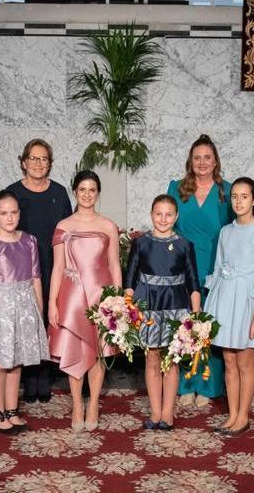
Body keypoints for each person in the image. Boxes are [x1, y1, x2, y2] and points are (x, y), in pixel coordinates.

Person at [0, 191, 51, 434]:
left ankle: (12, 409)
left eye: (14, 212)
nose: (10, 217)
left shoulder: (29, 241)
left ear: (19, 213)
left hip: (24, 306)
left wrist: (38, 313)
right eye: (4, 213)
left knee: (16, 361)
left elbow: (36, 278)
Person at [205, 178, 254, 437]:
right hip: (226, 300)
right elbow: (217, 269)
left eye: (244, 196)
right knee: (228, 360)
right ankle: (232, 414)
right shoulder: (226, 232)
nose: (238, 201)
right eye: (235, 196)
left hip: (249, 304)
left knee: (245, 361)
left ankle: (243, 416)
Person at [48, 171, 121, 431]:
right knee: (75, 349)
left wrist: (119, 303)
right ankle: (78, 404)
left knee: (99, 352)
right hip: (73, 298)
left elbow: (114, 265)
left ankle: (93, 404)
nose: (87, 194)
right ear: (75, 192)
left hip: (101, 297)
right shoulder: (63, 226)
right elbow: (58, 268)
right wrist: (52, 303)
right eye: (82, 189)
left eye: (92, 190)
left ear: (97, 193)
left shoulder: (108, 226)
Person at [125, 194, 201, 430]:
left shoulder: (184, 245)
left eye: (169, 214)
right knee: (152, 357)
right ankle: (155, 412)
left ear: (176, 216)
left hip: (175, 305)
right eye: (159, 214)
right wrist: (127, 310)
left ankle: (168, 412)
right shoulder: (141, 243)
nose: (163, 219)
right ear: (151, 214)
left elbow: (193, 283)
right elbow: (130, 279)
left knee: (171, 360)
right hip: (148, 305)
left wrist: (195, 318)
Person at [167, 135, 231, 408]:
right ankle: (185, 384)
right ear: (190, 162)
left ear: (215, 161)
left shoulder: (227, 191)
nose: (202, 162)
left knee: (210, 325)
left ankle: (207, 384)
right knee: (184, 325)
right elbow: (167, 225)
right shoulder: (176, 188)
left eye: (207, 157)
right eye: (197, 158)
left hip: (216, 268)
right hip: (182, 267)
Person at [6, 139, 72, 403]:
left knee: (48, 319)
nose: (38, 163)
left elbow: (68, 231)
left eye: (43, 159)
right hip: (20, 268)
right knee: (25, 322)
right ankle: (27, 381)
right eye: (33, 158)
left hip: (52, 264)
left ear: (50, 164)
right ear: (23, 162)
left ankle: (44, 380)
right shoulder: (13, 193)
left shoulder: (59, 192)